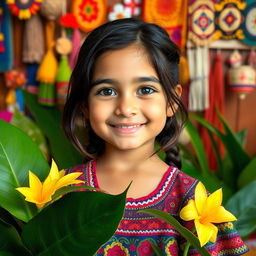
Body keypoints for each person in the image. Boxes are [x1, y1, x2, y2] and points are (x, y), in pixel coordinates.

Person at [63, 18, 248, 256]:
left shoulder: (194, 202)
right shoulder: (62, 191)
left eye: (145, 90)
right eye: (106, 91)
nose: (126, 108)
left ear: (171, 101)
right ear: (85, 105)